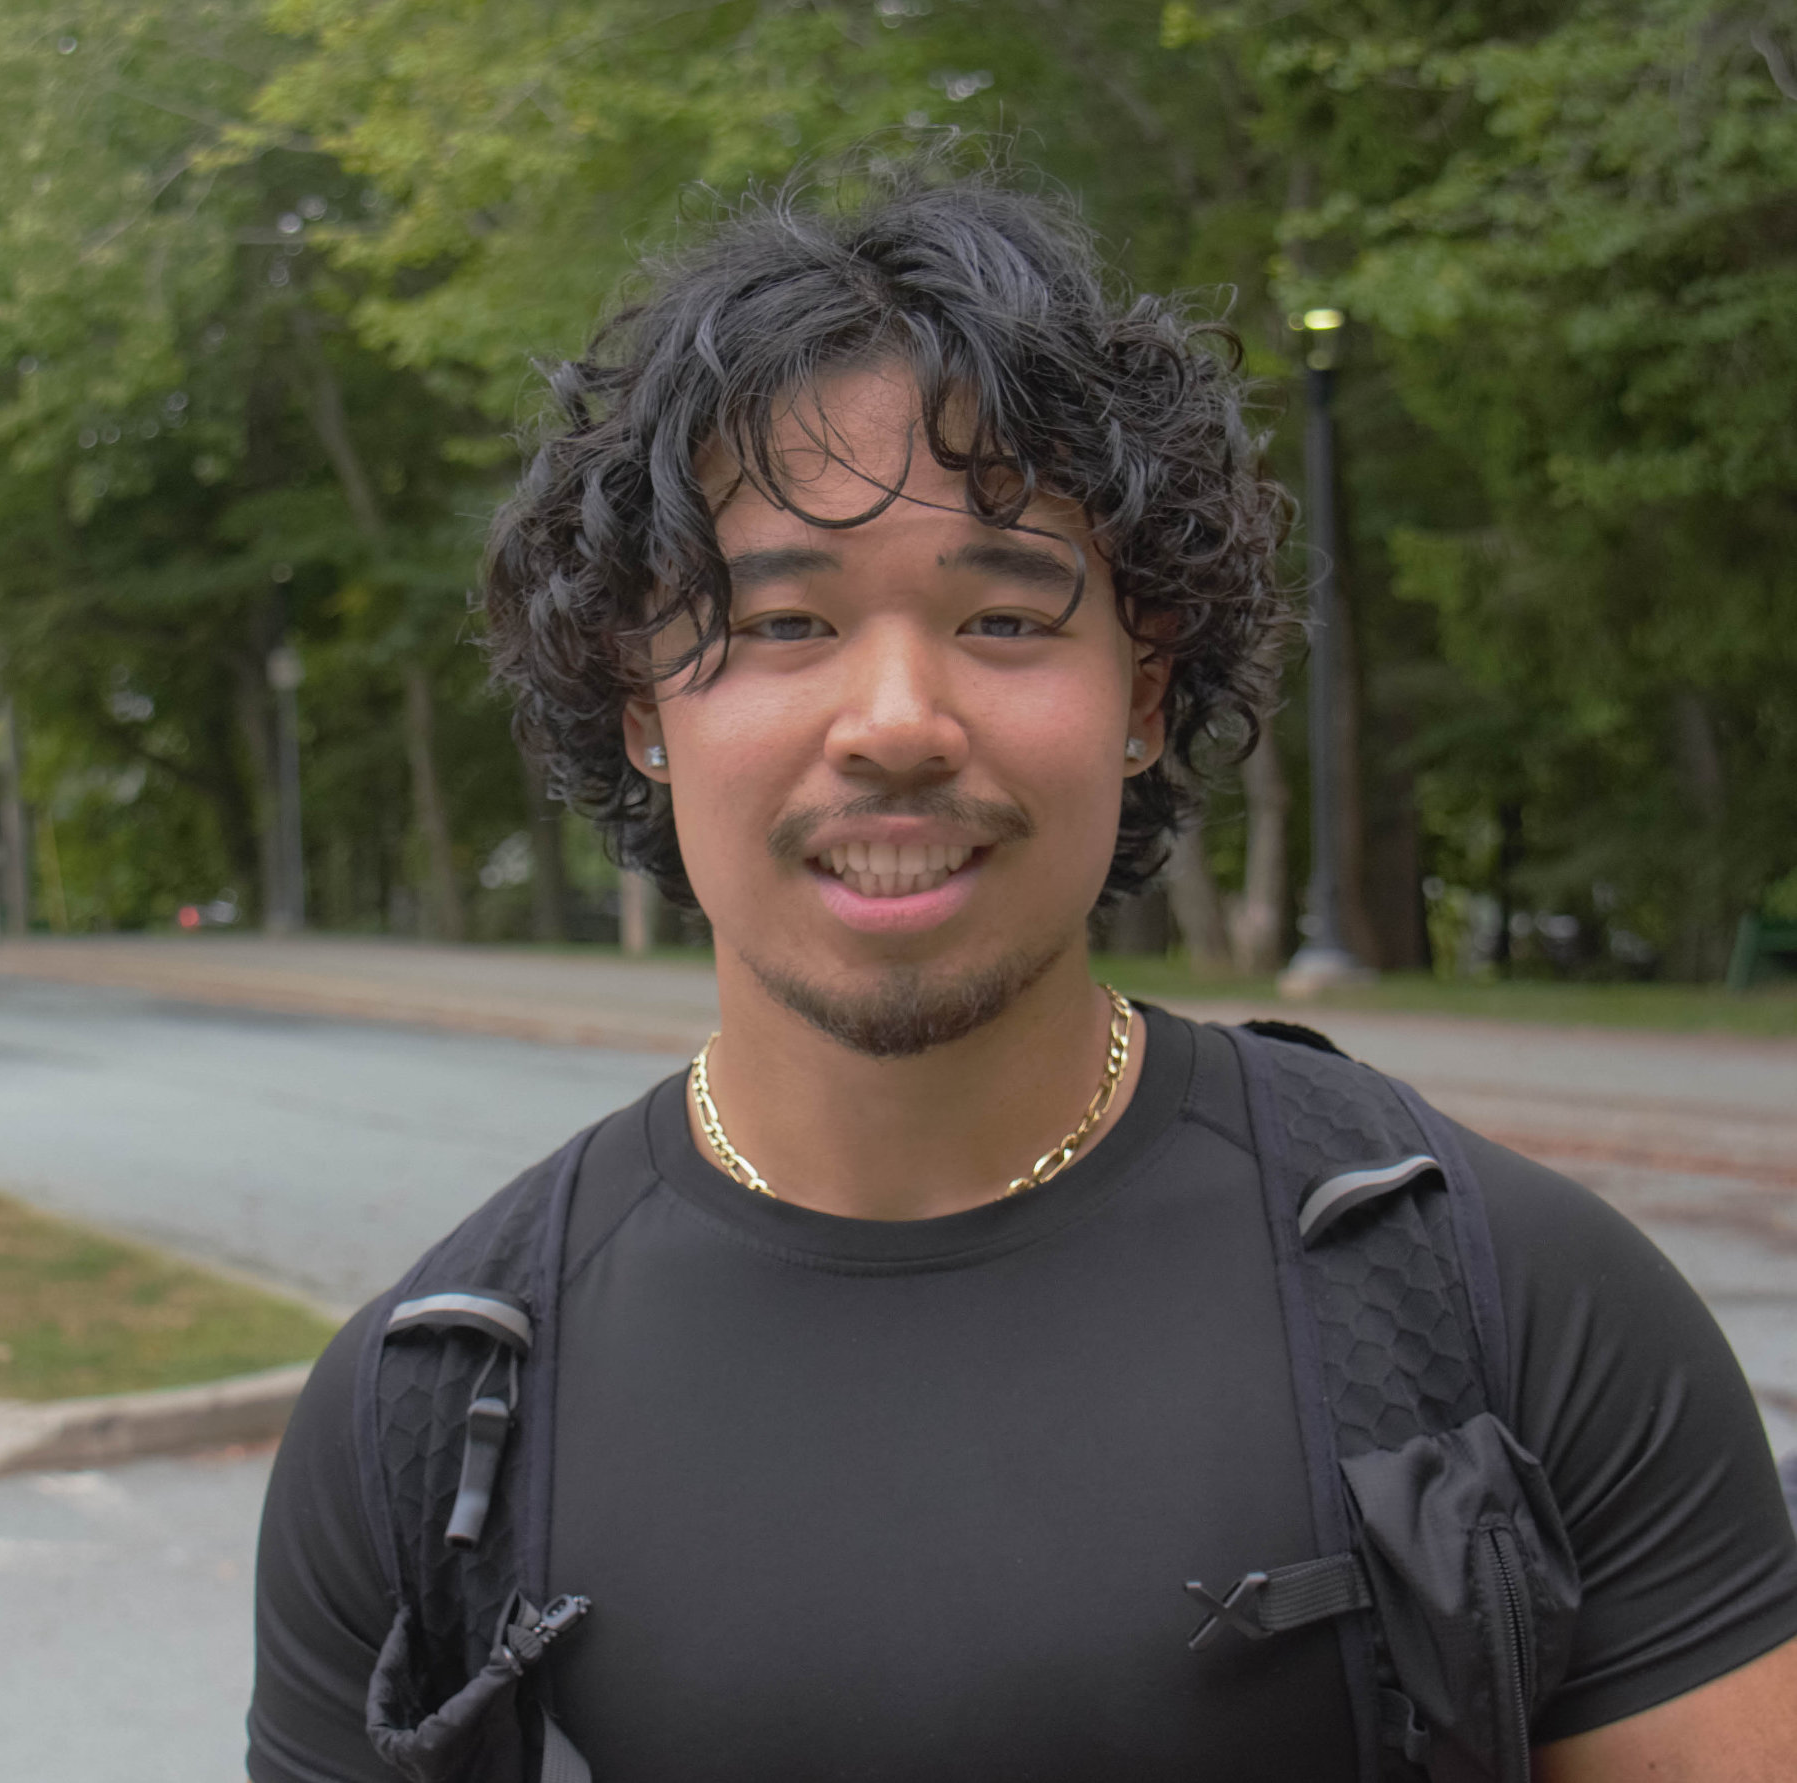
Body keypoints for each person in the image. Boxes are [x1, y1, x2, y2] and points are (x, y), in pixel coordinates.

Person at [248, 172, 1797, 1782]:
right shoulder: (419, 1422)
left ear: (1143, 691)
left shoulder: (1510, 1313)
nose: (898, 720)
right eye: (782, 624)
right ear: (641, 704)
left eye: (1002, 613)